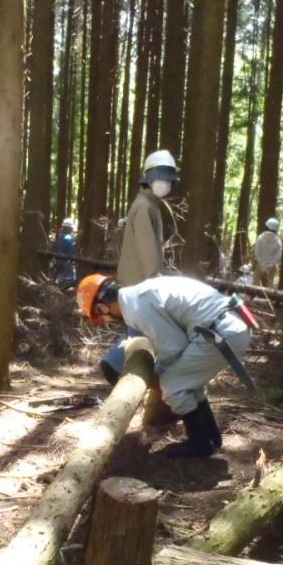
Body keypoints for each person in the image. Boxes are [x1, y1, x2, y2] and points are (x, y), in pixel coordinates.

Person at [77, 273, 253, 458]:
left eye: (102, 318)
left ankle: (199, 444)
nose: (107, 322)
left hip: (222, 331)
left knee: (172, 385)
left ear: (102, 307)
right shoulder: (138, 296)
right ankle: (211, 438)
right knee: (187, 382)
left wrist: (158, 375)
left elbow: (174, 346)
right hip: (228, 327)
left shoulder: (137, 308)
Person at [101, 150, 179, 426]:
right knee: (139, 332)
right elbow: (148, 252)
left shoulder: (146, 204)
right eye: (161, 178)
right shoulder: (145, 207)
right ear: (148, 178)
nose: (166, 184)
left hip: (138, 281)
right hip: (140, 283)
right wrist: (156, 282)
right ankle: (113, 364)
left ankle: (116, 366)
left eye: (169, 180)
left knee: (137, 331)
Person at [253, 217, 282, 288]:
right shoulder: (278, 241)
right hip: (272, 267)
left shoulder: (260, 237)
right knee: (270, 286)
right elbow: (278, 256)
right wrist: (269, 266)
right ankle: (268, 298)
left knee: (254, 284)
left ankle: (250, 297)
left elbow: (256, 252)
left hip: (260, 265)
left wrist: (262, 265)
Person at [54, 217, 78, 289]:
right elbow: (71, 252)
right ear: (69, 228)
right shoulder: (69, 239)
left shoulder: (60, 237)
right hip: (68, 261)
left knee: (61, 277)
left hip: (60, 260)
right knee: (70, 279)